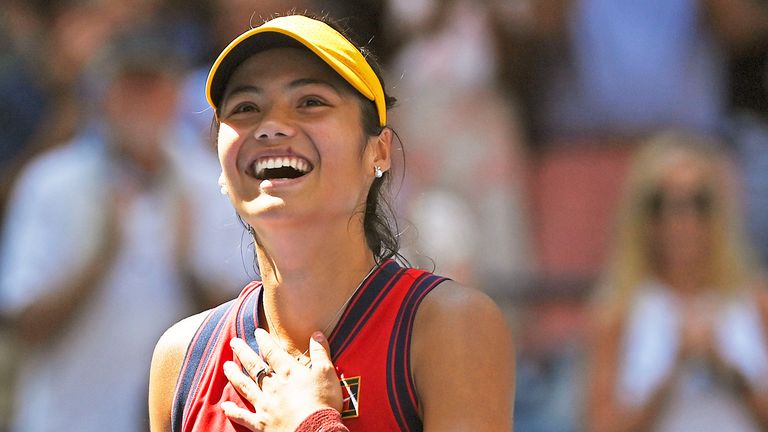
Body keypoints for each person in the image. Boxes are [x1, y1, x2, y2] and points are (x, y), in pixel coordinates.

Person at [148, 13, 515, 432]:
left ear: (378, 152)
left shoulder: (451, 326)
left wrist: (309, 424)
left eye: (310, 102)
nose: (270, 127)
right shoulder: (182, 359)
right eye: (246, 108)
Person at [0, 30, 247, 432]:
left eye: (154, 89)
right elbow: (23, 326)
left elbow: (243, 327)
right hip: (63, 422)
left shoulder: (210, 182)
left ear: (174, 98)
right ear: (103, 98)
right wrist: (101, 255)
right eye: (129, 89)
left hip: (173, 419)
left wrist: (186, 265)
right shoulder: (51, 182)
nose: (142, 104)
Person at [585, 131, 768, 432]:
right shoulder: (617, 309)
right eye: (661, 203)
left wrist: (727, 366)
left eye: (698, 202)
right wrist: (671, 371)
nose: (681, 220)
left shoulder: (756, 300)